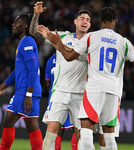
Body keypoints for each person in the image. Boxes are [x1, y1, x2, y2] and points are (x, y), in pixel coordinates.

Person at [37, 7, 134, 150]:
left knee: (86, 131)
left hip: (93, 89)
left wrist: (57, 42)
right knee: (108, 135)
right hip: (113, 91)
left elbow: (69, 56)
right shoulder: (123, 41)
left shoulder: (91, 37)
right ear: (116, 22)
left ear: (99, 21)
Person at [29, 2, 91, 150]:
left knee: (81, 135)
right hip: (60, 92)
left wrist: (58, 44)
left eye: (88, 20)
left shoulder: (91, 42)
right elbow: (34, 32)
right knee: (51, 132)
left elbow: (71, 55)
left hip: (81, 95)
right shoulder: (62, 36)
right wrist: (36, 15)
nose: (85, 21)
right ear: (75, 22)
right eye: (82, 18)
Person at [0, 14, 43, 150]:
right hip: (28, 90)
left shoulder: (27, 42)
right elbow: (17, 72)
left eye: (17, 22)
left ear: (25, 26)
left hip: (25, 91)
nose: (13, 24)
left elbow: (33, 68)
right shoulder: (24, 42)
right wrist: (2, 86)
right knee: (31, 125)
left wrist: (28, 95)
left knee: (9, 121)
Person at [45, 53, 77, 150]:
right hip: (74, 95)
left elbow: (47, 82)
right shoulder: (74, 55)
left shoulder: (51, 59)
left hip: (56, 97)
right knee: (78, 130)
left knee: (56, 131)